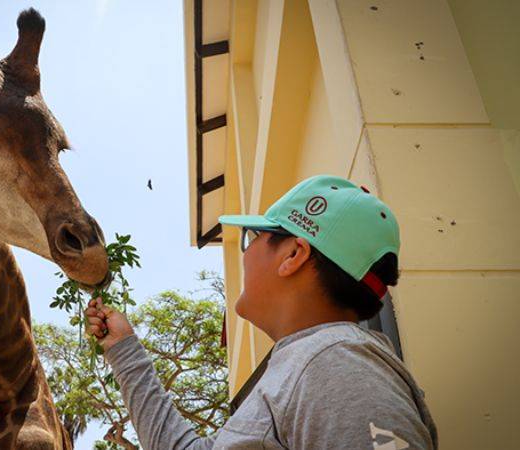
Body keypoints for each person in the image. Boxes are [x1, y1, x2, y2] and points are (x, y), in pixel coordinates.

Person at [85, 174, 438, 450]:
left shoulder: (337, 364)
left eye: (252, 236)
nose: (245, 253)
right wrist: (124, 348)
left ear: (293, 256)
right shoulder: (310, 363)